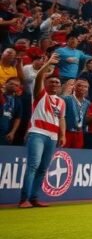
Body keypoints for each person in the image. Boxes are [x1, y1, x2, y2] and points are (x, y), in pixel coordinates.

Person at [18, 53, 65, 208]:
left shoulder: (61, 101)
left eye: (57, 82)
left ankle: (34, 198)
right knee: (33, 165)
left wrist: (62, 134)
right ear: (45, 83)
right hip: (38, 132)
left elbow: (62, 119)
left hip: (52, 136)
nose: (54, 84)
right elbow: (38, 77)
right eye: (51, 81)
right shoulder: (40, 94)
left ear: (60, 86)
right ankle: (24, 199)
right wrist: (49, 63)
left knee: (43, 168)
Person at [62, 78, 89, 149]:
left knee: (77, 153)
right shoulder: (66, 99)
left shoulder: (87, 103)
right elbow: (62, 117)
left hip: (79, 133)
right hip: (67, 132)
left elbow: (85, 118)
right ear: (74, 87)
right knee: (64, 152)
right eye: (79, 85)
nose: (82, 88)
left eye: (85, 86)